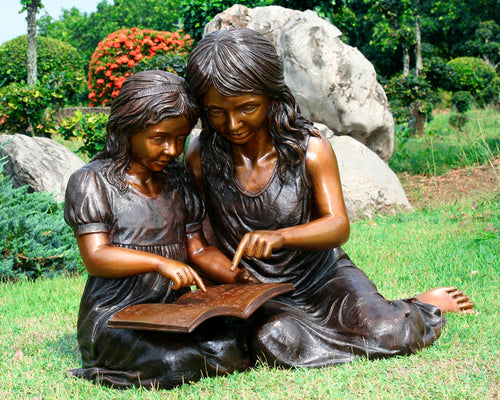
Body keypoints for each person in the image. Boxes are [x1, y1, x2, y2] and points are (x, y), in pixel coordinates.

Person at [185, 28, 474, 368]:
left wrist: (281, 237)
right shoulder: (200, 156)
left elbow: (337, 226)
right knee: (275, 339)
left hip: (323, 276)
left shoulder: (309, 148)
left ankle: (414, 306)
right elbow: (201, 242)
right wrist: (232, 278)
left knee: (389, 332)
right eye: (217, 112)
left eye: (247, 107)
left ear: (272, 96)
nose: (232, 123)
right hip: (256, 291)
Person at [64, 70, 252, 389]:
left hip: (175, 311)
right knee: (173, 362)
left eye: (180, 139)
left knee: (229, 349)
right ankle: (102, 366)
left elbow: (199, 249)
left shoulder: (178, 180)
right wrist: (159, 262)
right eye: (159, 138)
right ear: (128, 129)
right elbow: (96, 256)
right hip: (116, 313)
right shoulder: (92, 182)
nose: (172, 150)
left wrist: (236, 276)